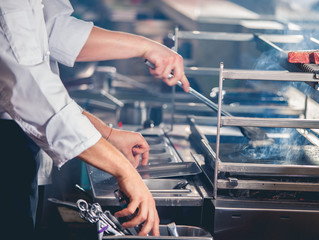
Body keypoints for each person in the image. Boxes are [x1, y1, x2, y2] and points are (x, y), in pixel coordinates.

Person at [0, 0, 190, 238]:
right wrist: (124, 171)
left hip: (19, 143)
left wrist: (147, 47)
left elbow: (51, 30)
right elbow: (29, 88)